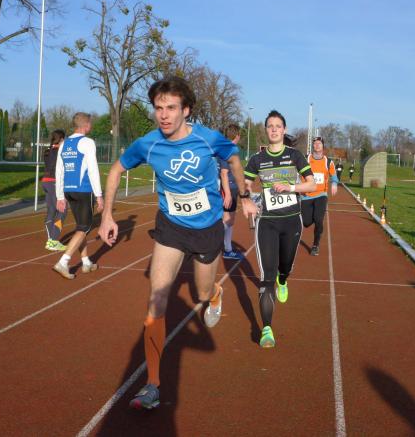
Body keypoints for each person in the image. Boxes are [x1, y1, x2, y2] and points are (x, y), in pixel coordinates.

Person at [98, 76, 256, 410]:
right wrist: (107, 216)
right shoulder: (148, 144)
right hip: (170, 227)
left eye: (171, 108)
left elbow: (234, 159)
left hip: (207, 229)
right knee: (156, 299)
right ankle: (152, 384)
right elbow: (115, 171)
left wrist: (244, 194)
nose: (164, 115)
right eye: (159, 108)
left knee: (201, 292)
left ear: (186, 110)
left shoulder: (207, 139)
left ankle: (215, 294)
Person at [244, 110, 316, 348]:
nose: (274, 129)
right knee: (266, 277)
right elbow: (245, 184)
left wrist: (290, 187)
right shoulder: (257, 159)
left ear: (284, 130)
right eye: (270, 126)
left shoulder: (295, 156)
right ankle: (266, 328)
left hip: (291, 221)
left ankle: (283, 280)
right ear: (266, 130)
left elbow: (311, 185)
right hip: (267, 222)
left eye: (278, 126)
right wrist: (245, 200)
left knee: (285, 267)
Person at [52, 112, 103, 279]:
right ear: (86, 125)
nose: (91, 126)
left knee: (81, 226)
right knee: (84, 227)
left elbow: (59, 170)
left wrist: (60, 196)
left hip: (69, 190)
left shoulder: (64, 144)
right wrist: (99, 195)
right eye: (90, 123)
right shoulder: (88, 142)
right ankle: (63, 262)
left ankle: (86, 262)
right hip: (83, 189)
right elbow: (93, 169)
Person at [301, 136, 338, 256]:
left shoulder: (328, 162)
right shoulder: (305, 159)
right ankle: (313, 216)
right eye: (315, 143)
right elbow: (296, 171)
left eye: (319, 143)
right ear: (313, 146)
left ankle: (315, 245)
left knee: (318, 219)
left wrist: (334, 184)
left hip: (321, 194)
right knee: (306, 222)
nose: (317, 145)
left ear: (323, 146)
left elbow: (334, 175)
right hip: (306, 195)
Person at [218, 123, 246, 261]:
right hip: (228, 188)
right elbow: (224, 173)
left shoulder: (227, 148)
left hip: (230, 187)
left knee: (229, 219)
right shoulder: (228, 149)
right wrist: (228, 194)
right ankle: (225, 249)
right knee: (227, 219)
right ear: (237, 136)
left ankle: (226, 248)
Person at [42, 129, 68, 251]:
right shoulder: (60, 151)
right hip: (54, 182)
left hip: (45, 182)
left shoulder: (47, 151)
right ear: (62, 139)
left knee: (51, 211)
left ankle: (50, 240)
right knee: (62, 210)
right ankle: (53, 240)